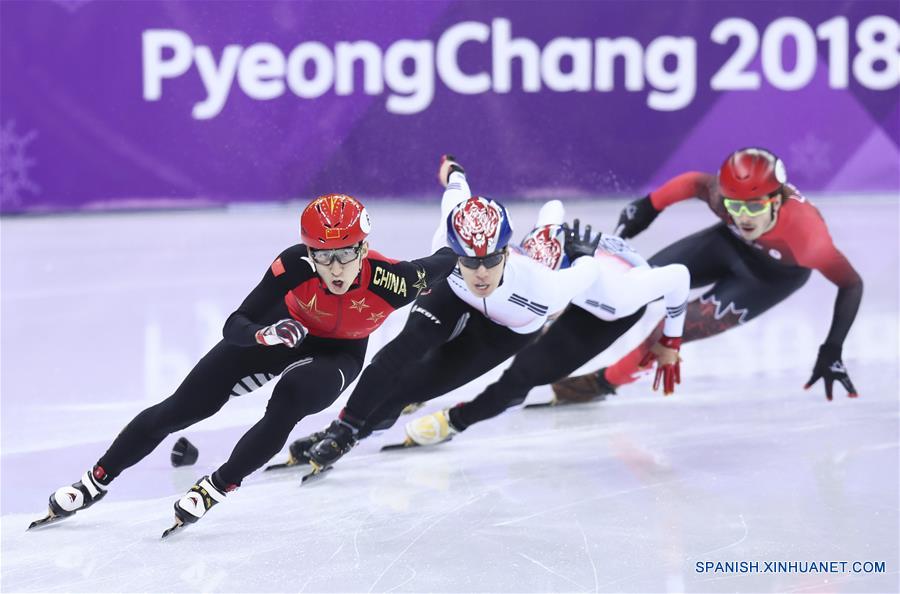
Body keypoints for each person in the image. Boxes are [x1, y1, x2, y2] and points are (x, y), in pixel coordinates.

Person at [34, 193, 459, 534]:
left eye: (345, 254)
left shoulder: (396, 281)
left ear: (363, 248)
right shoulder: (294, 264)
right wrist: (263, 335)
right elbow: (235, 323)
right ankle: (94, 481)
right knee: (181, 408)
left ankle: (217, 486)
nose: (334, 268)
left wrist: (466, 227)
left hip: (338, 354)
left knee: (290, 399)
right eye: (322, 254)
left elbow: (448, 255)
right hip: (281, 331)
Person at [280, 156, 607, 471]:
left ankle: (357, 431)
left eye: (491, 260)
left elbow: (588, 272)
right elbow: (456, 188)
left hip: (505, 329)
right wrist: (453, 171)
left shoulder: (544, 288)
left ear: (507, 253)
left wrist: (584, 258)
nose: (481, 273)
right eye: (470, 261)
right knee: (404, 349)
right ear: (454, 251)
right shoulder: (447, 242)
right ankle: (342, 431)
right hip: (453, 292)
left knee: (412, 388)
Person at [551, 147, 863, 404]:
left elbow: (851, 284)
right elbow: (691, 182)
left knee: (670, 331)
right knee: (636, 284)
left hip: (769, 280)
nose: (744, 217)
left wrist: (832, 347)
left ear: (777, 201)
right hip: (727, 246)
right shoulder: (719, 197)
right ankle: (554, 325)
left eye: (755, 208)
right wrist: (648, 206)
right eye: (735, 206)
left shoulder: (807, 238)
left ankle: (602, 383)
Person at [399, 224, 691, 448]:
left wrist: (671, 341)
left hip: (603, 315)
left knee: (524, 375)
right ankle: (420, 387)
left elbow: (680, 275)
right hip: (579, 287)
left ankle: (456, 421)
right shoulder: (530, 257)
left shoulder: (622, 294)